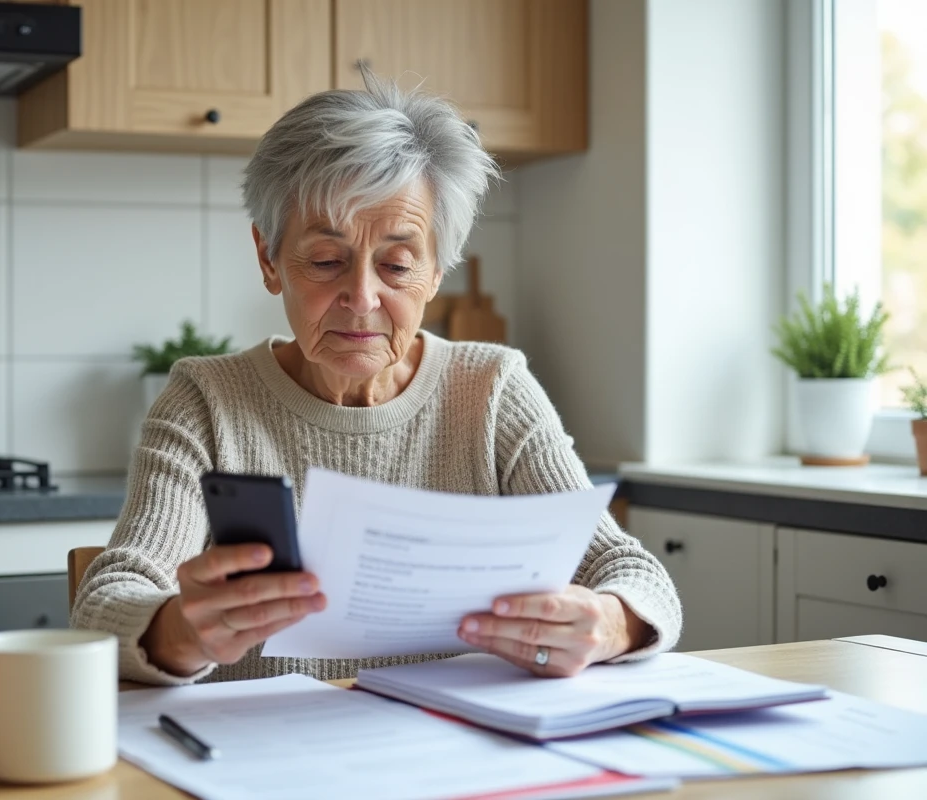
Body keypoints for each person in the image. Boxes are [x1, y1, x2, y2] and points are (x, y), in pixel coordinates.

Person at [73, 71, 682, 685]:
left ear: (437, 270)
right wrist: (179, 630)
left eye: (396, 264)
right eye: (326, 260)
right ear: (268, 258)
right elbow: (109, 597)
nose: (361, 298)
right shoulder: (207, 399)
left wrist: (608, 622)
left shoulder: (493, 388)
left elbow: (631, 570)